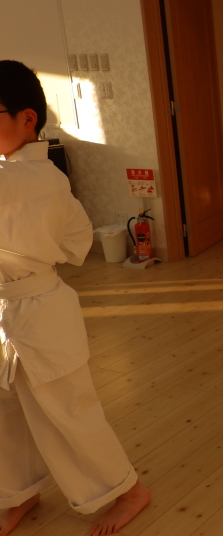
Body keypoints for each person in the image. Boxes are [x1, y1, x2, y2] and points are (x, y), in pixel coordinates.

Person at [0, 60, 150, 536]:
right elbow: (76, 238)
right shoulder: (27, 176)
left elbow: (74, 240)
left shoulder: (36, 178)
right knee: (7, 413)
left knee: (69, 411)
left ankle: (130, 490)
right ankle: (18, 493)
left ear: (27, 119)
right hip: (10, 308)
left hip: (38, 312)